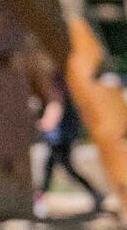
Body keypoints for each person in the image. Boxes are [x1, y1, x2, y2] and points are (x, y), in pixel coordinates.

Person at [37, 73, 106, 218]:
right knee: (58, 166)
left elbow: (56, 105)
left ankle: (39, 200)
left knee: (54, 166)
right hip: (66, 132)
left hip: (60, 134)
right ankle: (96, 193)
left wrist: (45, 123)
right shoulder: (67, 81)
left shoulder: (58, 83)